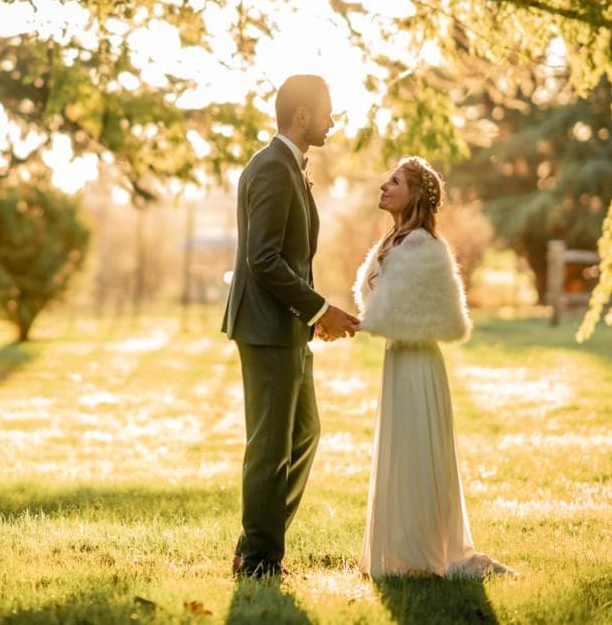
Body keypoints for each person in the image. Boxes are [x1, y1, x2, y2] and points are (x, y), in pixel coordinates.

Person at [221, 74, 360, 579]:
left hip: (288, 327)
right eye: (326, 111)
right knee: (270, 445)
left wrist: (311, 317)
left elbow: (293, 258)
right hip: (265, 329)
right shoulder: (272, 169)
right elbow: (263, 259)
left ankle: (256, 543)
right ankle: (259, 560)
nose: (331, 120)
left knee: (304, 434)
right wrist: (320, 310)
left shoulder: (287, 167)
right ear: (302, 115)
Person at [354, 156, 517, 578]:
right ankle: (402, 552)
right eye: (386, 179)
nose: (383, 186)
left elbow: (406, 311)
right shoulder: (394, 242)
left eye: (394, 181)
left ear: (414, 195)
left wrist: (360, 323)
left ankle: (424, 552)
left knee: (417, 449)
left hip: (418, 361)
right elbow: (382, 307)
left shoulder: (424, 248)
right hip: (398, 356)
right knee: (400, 450)